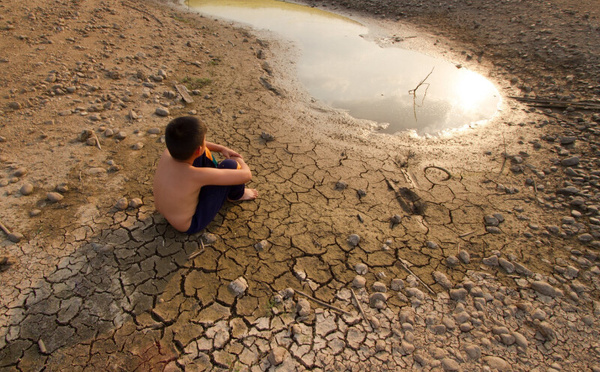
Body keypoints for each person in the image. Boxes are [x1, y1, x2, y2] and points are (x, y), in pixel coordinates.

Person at [153, 116, 258, 234]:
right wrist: (239, 160)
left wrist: (221, 148)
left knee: (200, 153)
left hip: (166, 212)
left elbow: (197, 146)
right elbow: (246, 175)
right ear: (198, 149)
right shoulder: (196, 175)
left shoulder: (168, 152)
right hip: (190, 224)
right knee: (230, 165)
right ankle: (237, 195)